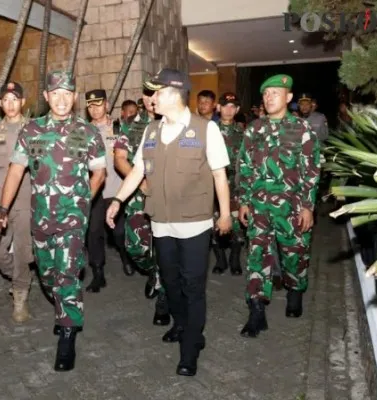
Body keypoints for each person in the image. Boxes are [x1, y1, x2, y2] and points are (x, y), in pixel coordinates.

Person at [106, 68, 232, 376]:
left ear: (173, 94)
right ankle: (181, 323)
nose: (151, 99)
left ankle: (191, 347)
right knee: (171, 283)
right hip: (161, 223)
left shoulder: (206, 129)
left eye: (155, 93)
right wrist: (118, 200)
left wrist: (226, 214)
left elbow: (219, 174)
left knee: (193, 285)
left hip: (195, 224)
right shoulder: (151, 131)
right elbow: (137, 171)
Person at [0, 71, 106, 371]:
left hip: (73, 220)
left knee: (68, 273)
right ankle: (62, 307)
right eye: (56, 93)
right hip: (40, 217)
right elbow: (16, 171)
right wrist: (2, 208)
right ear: (46, 97)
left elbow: (99, 173)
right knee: (47, 274)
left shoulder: (88, 132)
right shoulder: (31, 130)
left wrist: (84, 203)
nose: (61, 99)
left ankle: (67, 334)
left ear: (75, 97)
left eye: (67, 93)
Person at [237, 74, 321, 338]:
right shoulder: (254, 129)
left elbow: (312, 170)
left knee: (294, 254)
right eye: (265, 94)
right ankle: (256, 311)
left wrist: (308, 206)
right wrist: (243, 201)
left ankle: (295, 291)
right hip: (259, 207)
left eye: (275, 92)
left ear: (288, 97)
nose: (269, 97)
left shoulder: (302, 129)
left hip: (292, 207)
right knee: (257, 257)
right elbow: (244, 167)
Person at [114, 84, 170, 326]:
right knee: (136, 247)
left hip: (168, 197)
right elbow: (119, 159)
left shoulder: (173, 124)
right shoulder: (130, 126)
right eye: (146, 94)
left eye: (154, 94)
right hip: (138, 195)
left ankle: (164, 302)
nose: (150, 99)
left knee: (167, 249)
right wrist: (141, 183)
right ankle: (153, 270)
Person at [0, 81, 33, 323]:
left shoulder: (33, 129)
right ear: (0, 104)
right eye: (6, 100)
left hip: (26, 196)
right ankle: (22, 279)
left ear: (22, 102)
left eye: (15, 99)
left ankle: (20, 299)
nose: (10, 104)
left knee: (22, 250)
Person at [85, 89, 133, 292]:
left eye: (98, 104)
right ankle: (98, 273)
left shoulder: (120, 127)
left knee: (120, 231)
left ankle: (125, 254)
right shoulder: (83, 131)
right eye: (91, 106)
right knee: (94, 232)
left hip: (117, 189)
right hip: (95, 191)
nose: (95, 109)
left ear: (106, 104)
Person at [211, 92, 245, 276]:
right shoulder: (209, 130)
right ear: (218, 108)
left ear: (238, 110)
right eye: (225, 105)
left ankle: (234, 259)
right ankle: (221, 261)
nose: (229, 109)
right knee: (214, 224)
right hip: (213, 185)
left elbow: (248, 162)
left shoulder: (243, 133)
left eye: (233, 106)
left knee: (237, 227)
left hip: (235, 185)